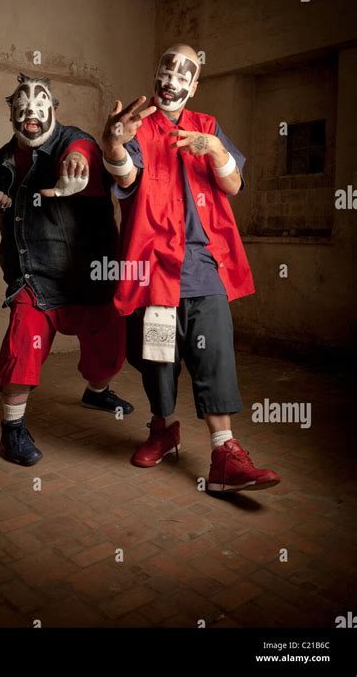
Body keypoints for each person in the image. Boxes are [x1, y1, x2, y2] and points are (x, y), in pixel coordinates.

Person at [100, 45, 280, 492]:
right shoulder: (138, 127)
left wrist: (216, 149)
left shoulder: (208, 126)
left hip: (202, 264)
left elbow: (233, 184)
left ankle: (225, 453)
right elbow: (125, 178)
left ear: (194, 85)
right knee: (158, 359)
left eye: (185, 72)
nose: (172, 79)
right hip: (153, 266)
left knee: (214, 351)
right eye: (166, 68)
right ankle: (164, 430)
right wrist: (114, 143)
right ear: (156, 73)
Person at [0, 73, 133, 467]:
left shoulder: (75, 141)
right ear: (11, 111)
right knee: (21, 344)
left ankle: (97, 391)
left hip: (88, 273)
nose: (30, 112)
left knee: (108, 347)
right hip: (34, 274)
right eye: (22, 106)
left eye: (38, 104)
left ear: (53, 109)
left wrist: (77, 163)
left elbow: (81, 155)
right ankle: (12, 428)